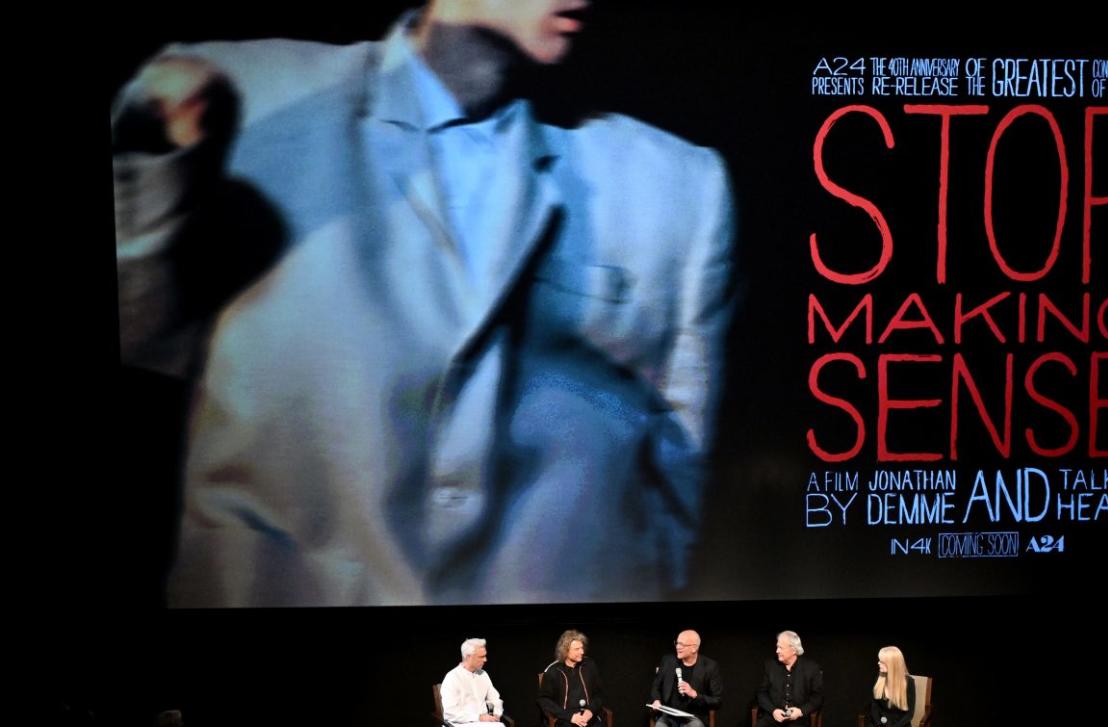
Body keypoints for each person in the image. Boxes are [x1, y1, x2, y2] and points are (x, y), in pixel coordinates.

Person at [112, 0, 736, 607]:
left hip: (545, 653)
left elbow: (681, 458)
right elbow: (143, 343)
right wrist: (157, 167)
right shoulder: (247, 93)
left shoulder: (676, 181)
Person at [536, 629, 608, 727]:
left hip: (587, 714)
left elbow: (599, 694)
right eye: (577, 649)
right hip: (565, 717)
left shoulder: (589, 666)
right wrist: (570, 716)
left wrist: (590, 711)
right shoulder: (553, 671)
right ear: (565, 650)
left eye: (582, 648)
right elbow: (543, 699)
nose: (582, 652)